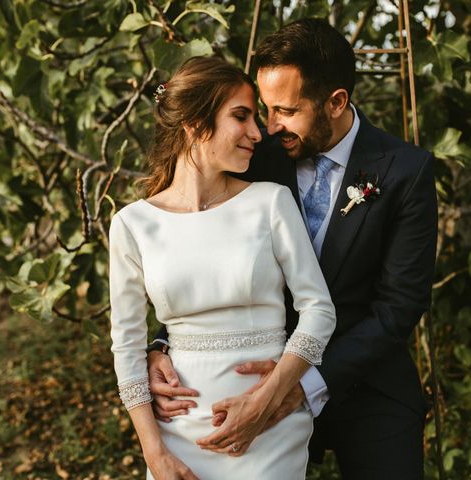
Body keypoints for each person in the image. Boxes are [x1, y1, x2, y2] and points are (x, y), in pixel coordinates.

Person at [147, 18, 438, 479]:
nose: (268, 126)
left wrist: (301, 385)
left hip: (368, 383)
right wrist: (163, 343)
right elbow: (193, 250)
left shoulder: (406, 171)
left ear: (337, 101)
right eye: (263, 108)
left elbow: (400, 304)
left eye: (285, 109)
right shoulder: (252, 157)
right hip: (252, 375)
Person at [108, 55, 336, 480]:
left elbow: (319, 311)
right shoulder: (132, 224)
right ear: (196, 123)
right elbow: (127, 347)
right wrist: (155, 454)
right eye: (241, 117)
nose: (258, 132)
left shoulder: (270, 202)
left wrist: (268, 398)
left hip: (271, 431)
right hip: (176, 434)